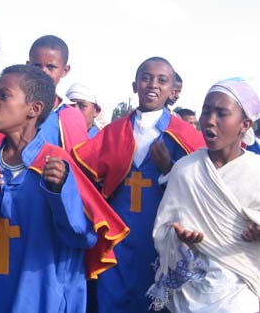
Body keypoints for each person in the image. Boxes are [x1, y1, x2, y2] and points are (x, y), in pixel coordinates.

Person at [0, 64, 129, 313]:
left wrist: (60, 192)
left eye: (4, 96)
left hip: (42, 290)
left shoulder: (57, 164)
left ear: (34, 109)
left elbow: (82, 237)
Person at [72, 57, 205, 313]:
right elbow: (83, 175)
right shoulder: (114, 131)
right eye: (146, 77)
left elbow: (200, 188)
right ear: (135, 85)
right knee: (111, 296)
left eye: (161, 80)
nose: (152, 85)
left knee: (155, 299)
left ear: (172, 90)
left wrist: (168, 169)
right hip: (117, 233)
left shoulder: (185, 135)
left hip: (161, 234)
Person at [149, 78, 260, 313]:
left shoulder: (256, 171)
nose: (210, 120)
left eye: (222, 114)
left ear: (245, 124)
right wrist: (179, 238)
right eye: (206, 111)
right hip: (187, 295)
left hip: (238, 292)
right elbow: (162, 230)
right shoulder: (185, 169)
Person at [27, 35, 88, 151]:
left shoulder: (72, 117)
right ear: (27, 65)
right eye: (36, 66)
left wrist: (63, 169)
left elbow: (76, 165)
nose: (43, 72)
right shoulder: (11, 106)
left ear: (65, 70)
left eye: (51, 67)